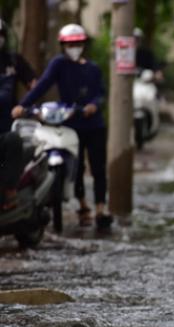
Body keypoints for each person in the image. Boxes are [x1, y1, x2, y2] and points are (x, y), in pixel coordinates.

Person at [12, 23, 112, 231]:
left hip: (94, 125)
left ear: (83, 44)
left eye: (77, 43)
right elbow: (43, 85)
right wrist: (24, 105)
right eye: (69, 44)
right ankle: (83, 206)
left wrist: (93, 105)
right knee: (76, 167)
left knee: (98, 167)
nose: (73, 47)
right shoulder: (59, 64)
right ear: (62, 45)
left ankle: (101, 208)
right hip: (71, 124)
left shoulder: (92, 69)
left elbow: (101, 93)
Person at [0, 17, 36, 210]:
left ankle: (10, 192)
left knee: (14, 140)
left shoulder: (14, 61)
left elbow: (34, 85)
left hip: (6, 130)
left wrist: (25, 106)